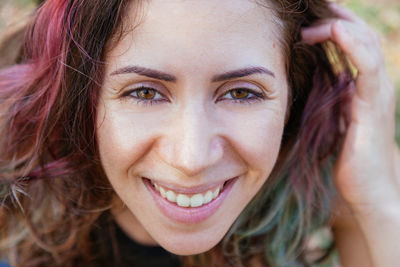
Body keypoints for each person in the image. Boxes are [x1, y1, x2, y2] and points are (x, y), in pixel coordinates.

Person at [0, 0, 398, 266]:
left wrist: (377, 198)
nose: (192, 159)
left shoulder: (328, 166)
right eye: (145, 92)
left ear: (294, 94)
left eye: (242, 93)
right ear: (79, 95)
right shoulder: (12, 154)